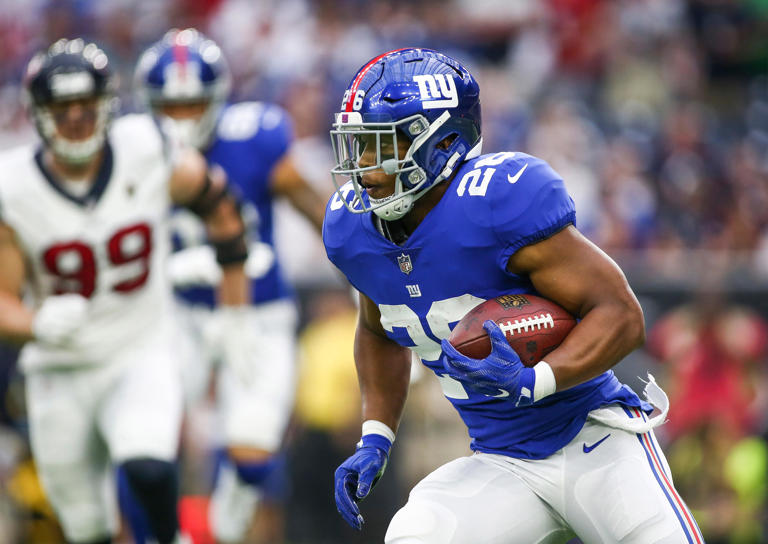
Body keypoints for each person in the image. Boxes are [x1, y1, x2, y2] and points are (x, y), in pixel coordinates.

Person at [323, 48, 704, 543]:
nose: (366, 167)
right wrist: (376, 435)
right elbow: (378, 326)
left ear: (441, 142)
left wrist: (536, 379)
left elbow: (622, 315)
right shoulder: (353, 228)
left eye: (383, 145)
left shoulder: (495, 204)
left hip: (594, 438)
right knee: (415, 534)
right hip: (500, 460)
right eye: (360, 146)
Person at [0, 38, 250, 544]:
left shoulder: (146, 146)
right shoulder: (14, 187)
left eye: (85, 106)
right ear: (38, 114)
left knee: (148, 465)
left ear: (107, 105)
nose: (75, 119)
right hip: (59, 367)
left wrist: (234, 304)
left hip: (140, 348)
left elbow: (222, 208)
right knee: (86, 525)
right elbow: (2, 300)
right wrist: (35, 322)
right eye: (61, 108)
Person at [133, 28, 327, 544]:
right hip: (175, 313)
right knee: (141, 441)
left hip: (258, 309)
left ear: (217, 100)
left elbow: (319, 212)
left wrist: (365, 273)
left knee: (252, 454)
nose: (181, 119)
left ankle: (228, 526)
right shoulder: (132, 150)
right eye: (168, 107)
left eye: (192, 105)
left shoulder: (253, 138)